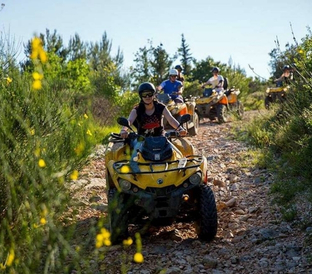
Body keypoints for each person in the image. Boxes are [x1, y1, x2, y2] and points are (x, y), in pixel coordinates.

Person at [120, 82, 187, 138]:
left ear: (154, 95)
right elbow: (129, 121)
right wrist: (123, 130)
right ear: (141, 96)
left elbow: (171, 120)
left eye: (150, 94)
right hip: (142, 140)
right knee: (134, 153)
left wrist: (180, 129)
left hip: (161, 138)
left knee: (173, 151)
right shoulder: (136, 110)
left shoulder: (161, 107)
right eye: (144, 94)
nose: (147, 97)